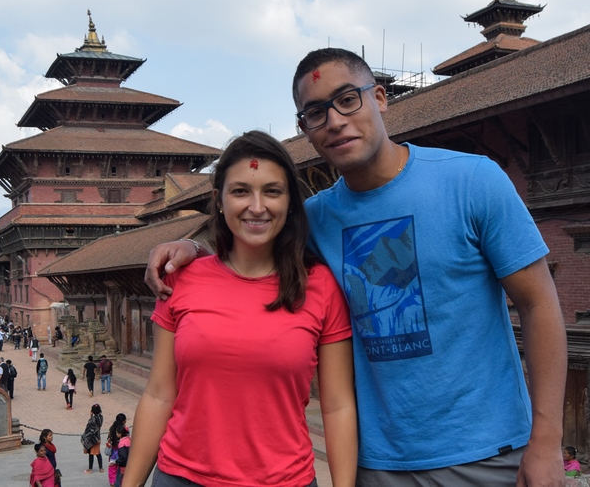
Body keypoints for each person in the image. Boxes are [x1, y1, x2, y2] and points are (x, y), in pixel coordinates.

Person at [145, 48, 568, 486]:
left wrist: (547, 441)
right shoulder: (316, 219)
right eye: (315, 112)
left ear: (381, 97)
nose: (334, 120)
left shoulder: (472, 182)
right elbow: (249, 238)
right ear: (304, 128)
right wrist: (190, 245)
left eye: (348, 99)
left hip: (488, 454)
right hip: (377, 463)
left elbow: (539, 304)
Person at [128, 130, 356, 487]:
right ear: (219, 199)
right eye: (240, 191)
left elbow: (337, 405)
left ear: (291, 202)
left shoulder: (321, 287)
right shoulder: (181, 280)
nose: (257, 206)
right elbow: (159, 393)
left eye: (272, 191)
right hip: (183, 477)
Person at [82, 403, 104, 474]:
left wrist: (91, 416)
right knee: (98, 453)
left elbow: (88, 428)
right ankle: (101, 468)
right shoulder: (101, 417)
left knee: (91, 454)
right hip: (98, 437)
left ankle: (90, 469)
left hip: (92, 438)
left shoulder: (92, 419)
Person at [107, 413, 127, 487]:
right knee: (120, 470)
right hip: (121, 453)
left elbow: (108, 439)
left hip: (113, 453)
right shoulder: (124, 430)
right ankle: (120, 483)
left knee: (112, 468)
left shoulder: (112, 428)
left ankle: (112, 482)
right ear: (124, 421)